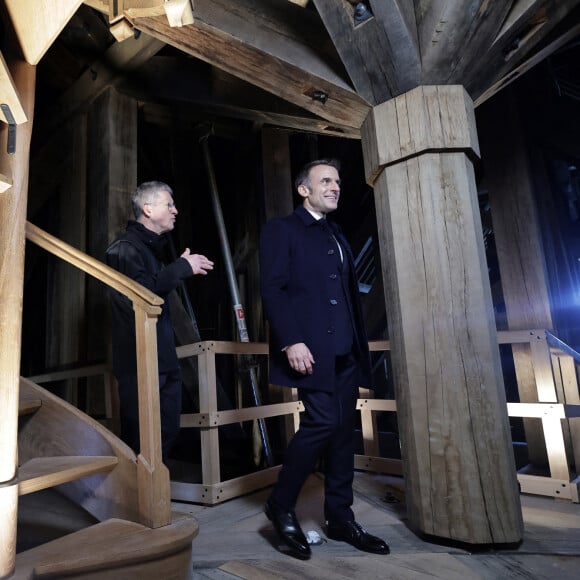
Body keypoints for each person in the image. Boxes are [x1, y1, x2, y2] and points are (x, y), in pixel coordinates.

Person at [259, 159, 389, 558]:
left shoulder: (337, 235)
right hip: (310, 350)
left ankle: (340, 517)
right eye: (326, 181)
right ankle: (280, 504)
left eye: (337, 181)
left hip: (346, 351)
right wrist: (292, 341)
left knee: (341, 433)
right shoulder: (283, 229)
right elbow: (273, 288)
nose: (335, 187)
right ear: (304, 189)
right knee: (322, 421)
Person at [106, 181, 214, 461]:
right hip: (139, 362)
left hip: (162, 358)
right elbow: (141, 295)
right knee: (141, 438)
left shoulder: (151, 250)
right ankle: (134, 503)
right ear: (148, 209)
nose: (175, 210)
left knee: (167, 430)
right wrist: (180, 268)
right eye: (169, 204)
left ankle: (152, 500)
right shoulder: (124, 249)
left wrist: (177, 267)